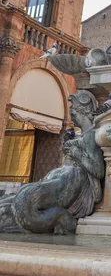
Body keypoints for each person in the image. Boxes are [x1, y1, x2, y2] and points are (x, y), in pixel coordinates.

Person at [0, 90, 104, 234]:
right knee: (9, 201)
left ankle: (60, 218)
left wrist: (76, 153)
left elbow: (98, 170)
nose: (71, 114)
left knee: (24, 201)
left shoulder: (91, 136)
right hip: (60, 178)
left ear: (84, 109)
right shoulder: (83, 135)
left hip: (69, 182)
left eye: (73, 110)